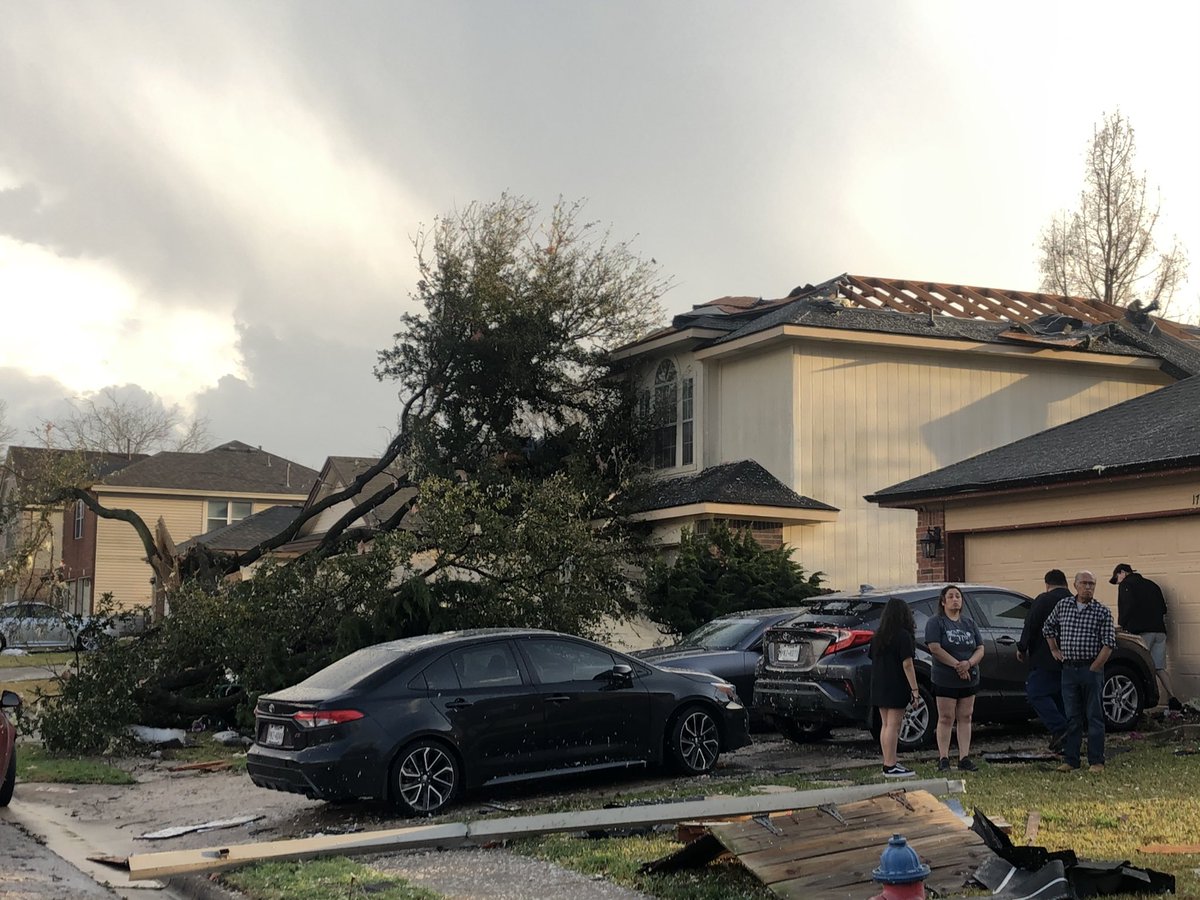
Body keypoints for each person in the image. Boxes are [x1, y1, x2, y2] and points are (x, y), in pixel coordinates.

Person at [1043, 570, 1117, 773]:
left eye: (1092, 584)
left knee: (1094, 716)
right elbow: (1048, 627)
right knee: (1072, 717)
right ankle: (1071, 759)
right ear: (1075, 585)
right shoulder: (1064, 605)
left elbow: (1109, 643)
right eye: (1084, 583)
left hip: (1090, 668)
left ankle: (1096, 761)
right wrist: (1054, 649)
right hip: (1069, 669)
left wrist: (1095, 667)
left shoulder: (1101, 611)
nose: (1088, 587)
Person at [925, 584, 984, 772]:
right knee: (946, 717)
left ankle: (964, 757)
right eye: (950, 596)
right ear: (943, 602)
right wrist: (957, 665)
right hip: (945, 678)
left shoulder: (969, 623)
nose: (955, 599)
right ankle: (943, 758)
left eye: (958, 596)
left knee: (965, 716)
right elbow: (935, 648)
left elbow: (980, 648)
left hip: (969, 677)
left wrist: (969, 663)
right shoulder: (936, 622)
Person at [1111, 563, 1182, 712]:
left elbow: (1127, 607)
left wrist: (1122, 624)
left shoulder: (1126, 585)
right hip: (1159, 631)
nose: (1117, 582)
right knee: (1159, 667)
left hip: (1141, 633)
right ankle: (1173, 699)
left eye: (1116, 578)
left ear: (1122, 573)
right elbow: (1164, 608)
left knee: (1140, 666)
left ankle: (1139, 703)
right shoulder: (1152, 585)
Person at [1017, 570, 1071, 751]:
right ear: (1066, 583)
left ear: (1047, 584)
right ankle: (1065, 742)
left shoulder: (1043, 600)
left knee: (1036, 693)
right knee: (1060, 698)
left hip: (1045, 657)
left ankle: (1060, 728)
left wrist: (1022, 647)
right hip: (1071, 659)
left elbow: (1031, 624)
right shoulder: (1074, 601)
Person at [870, 596, 921, 778]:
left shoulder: (878, 636)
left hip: (879, 684)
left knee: (885, 725)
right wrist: (915, 690)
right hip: (896, 684)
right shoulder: (904, 636)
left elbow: (872, 658)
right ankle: (891, 765)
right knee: (894, 725)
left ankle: (887, 761)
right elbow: (907, 664)